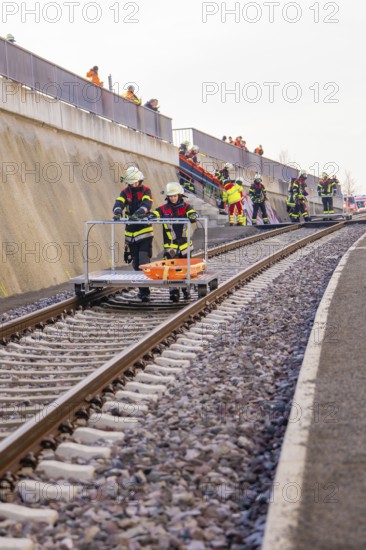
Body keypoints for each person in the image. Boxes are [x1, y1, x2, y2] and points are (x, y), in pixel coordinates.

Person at [149, 182, 198, 302]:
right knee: (171, 270)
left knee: (185, 269)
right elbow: (155, 213)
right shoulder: (164, 208)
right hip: (170, 247)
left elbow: (192, 213)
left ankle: (186, 290)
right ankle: (174, 292)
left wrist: (193, 216)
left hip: (184, 246)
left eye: (175, 196)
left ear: (179, 195)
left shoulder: (186, 207)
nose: (173, 198)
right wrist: (151, 216)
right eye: (170, 196)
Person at [112, 167, 153, 302]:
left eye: (135, 182)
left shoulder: (146, 190)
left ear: (140, 180)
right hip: (131, 234)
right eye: (131, 183)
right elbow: (119, 202)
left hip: (145, 233)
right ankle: (142, 290)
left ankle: (145, 291)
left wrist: (139, 213)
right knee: (135, 264)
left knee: (143, 261)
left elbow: (147, 203)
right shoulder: (125, 192)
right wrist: (117, 212)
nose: (133, 185)